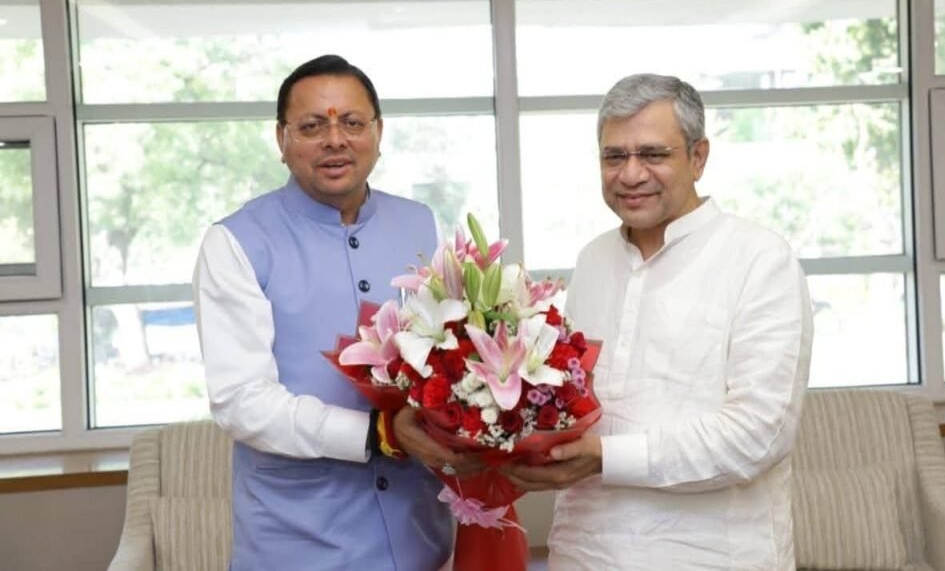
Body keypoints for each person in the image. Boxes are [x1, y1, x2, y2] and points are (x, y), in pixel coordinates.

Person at [505, 73, 814, 569]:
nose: (631, 175)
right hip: (585, 551)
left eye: (652, 154)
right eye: (614, 157)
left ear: (698, 157)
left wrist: (606, 456)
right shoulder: (593, 260)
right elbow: (568, 404)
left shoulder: (760, 259)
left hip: (711, 557)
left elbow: (759, 435)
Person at [192, 54, 476, 571]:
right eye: (311, 126)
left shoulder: (419, 223)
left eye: (352, 122)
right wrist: (377, 434)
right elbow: (241, 401)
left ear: (378, 132)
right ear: (281, 139)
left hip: (421, 540)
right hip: (300, 546)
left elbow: (444, 356)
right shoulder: (236, 242)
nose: (335, 139)